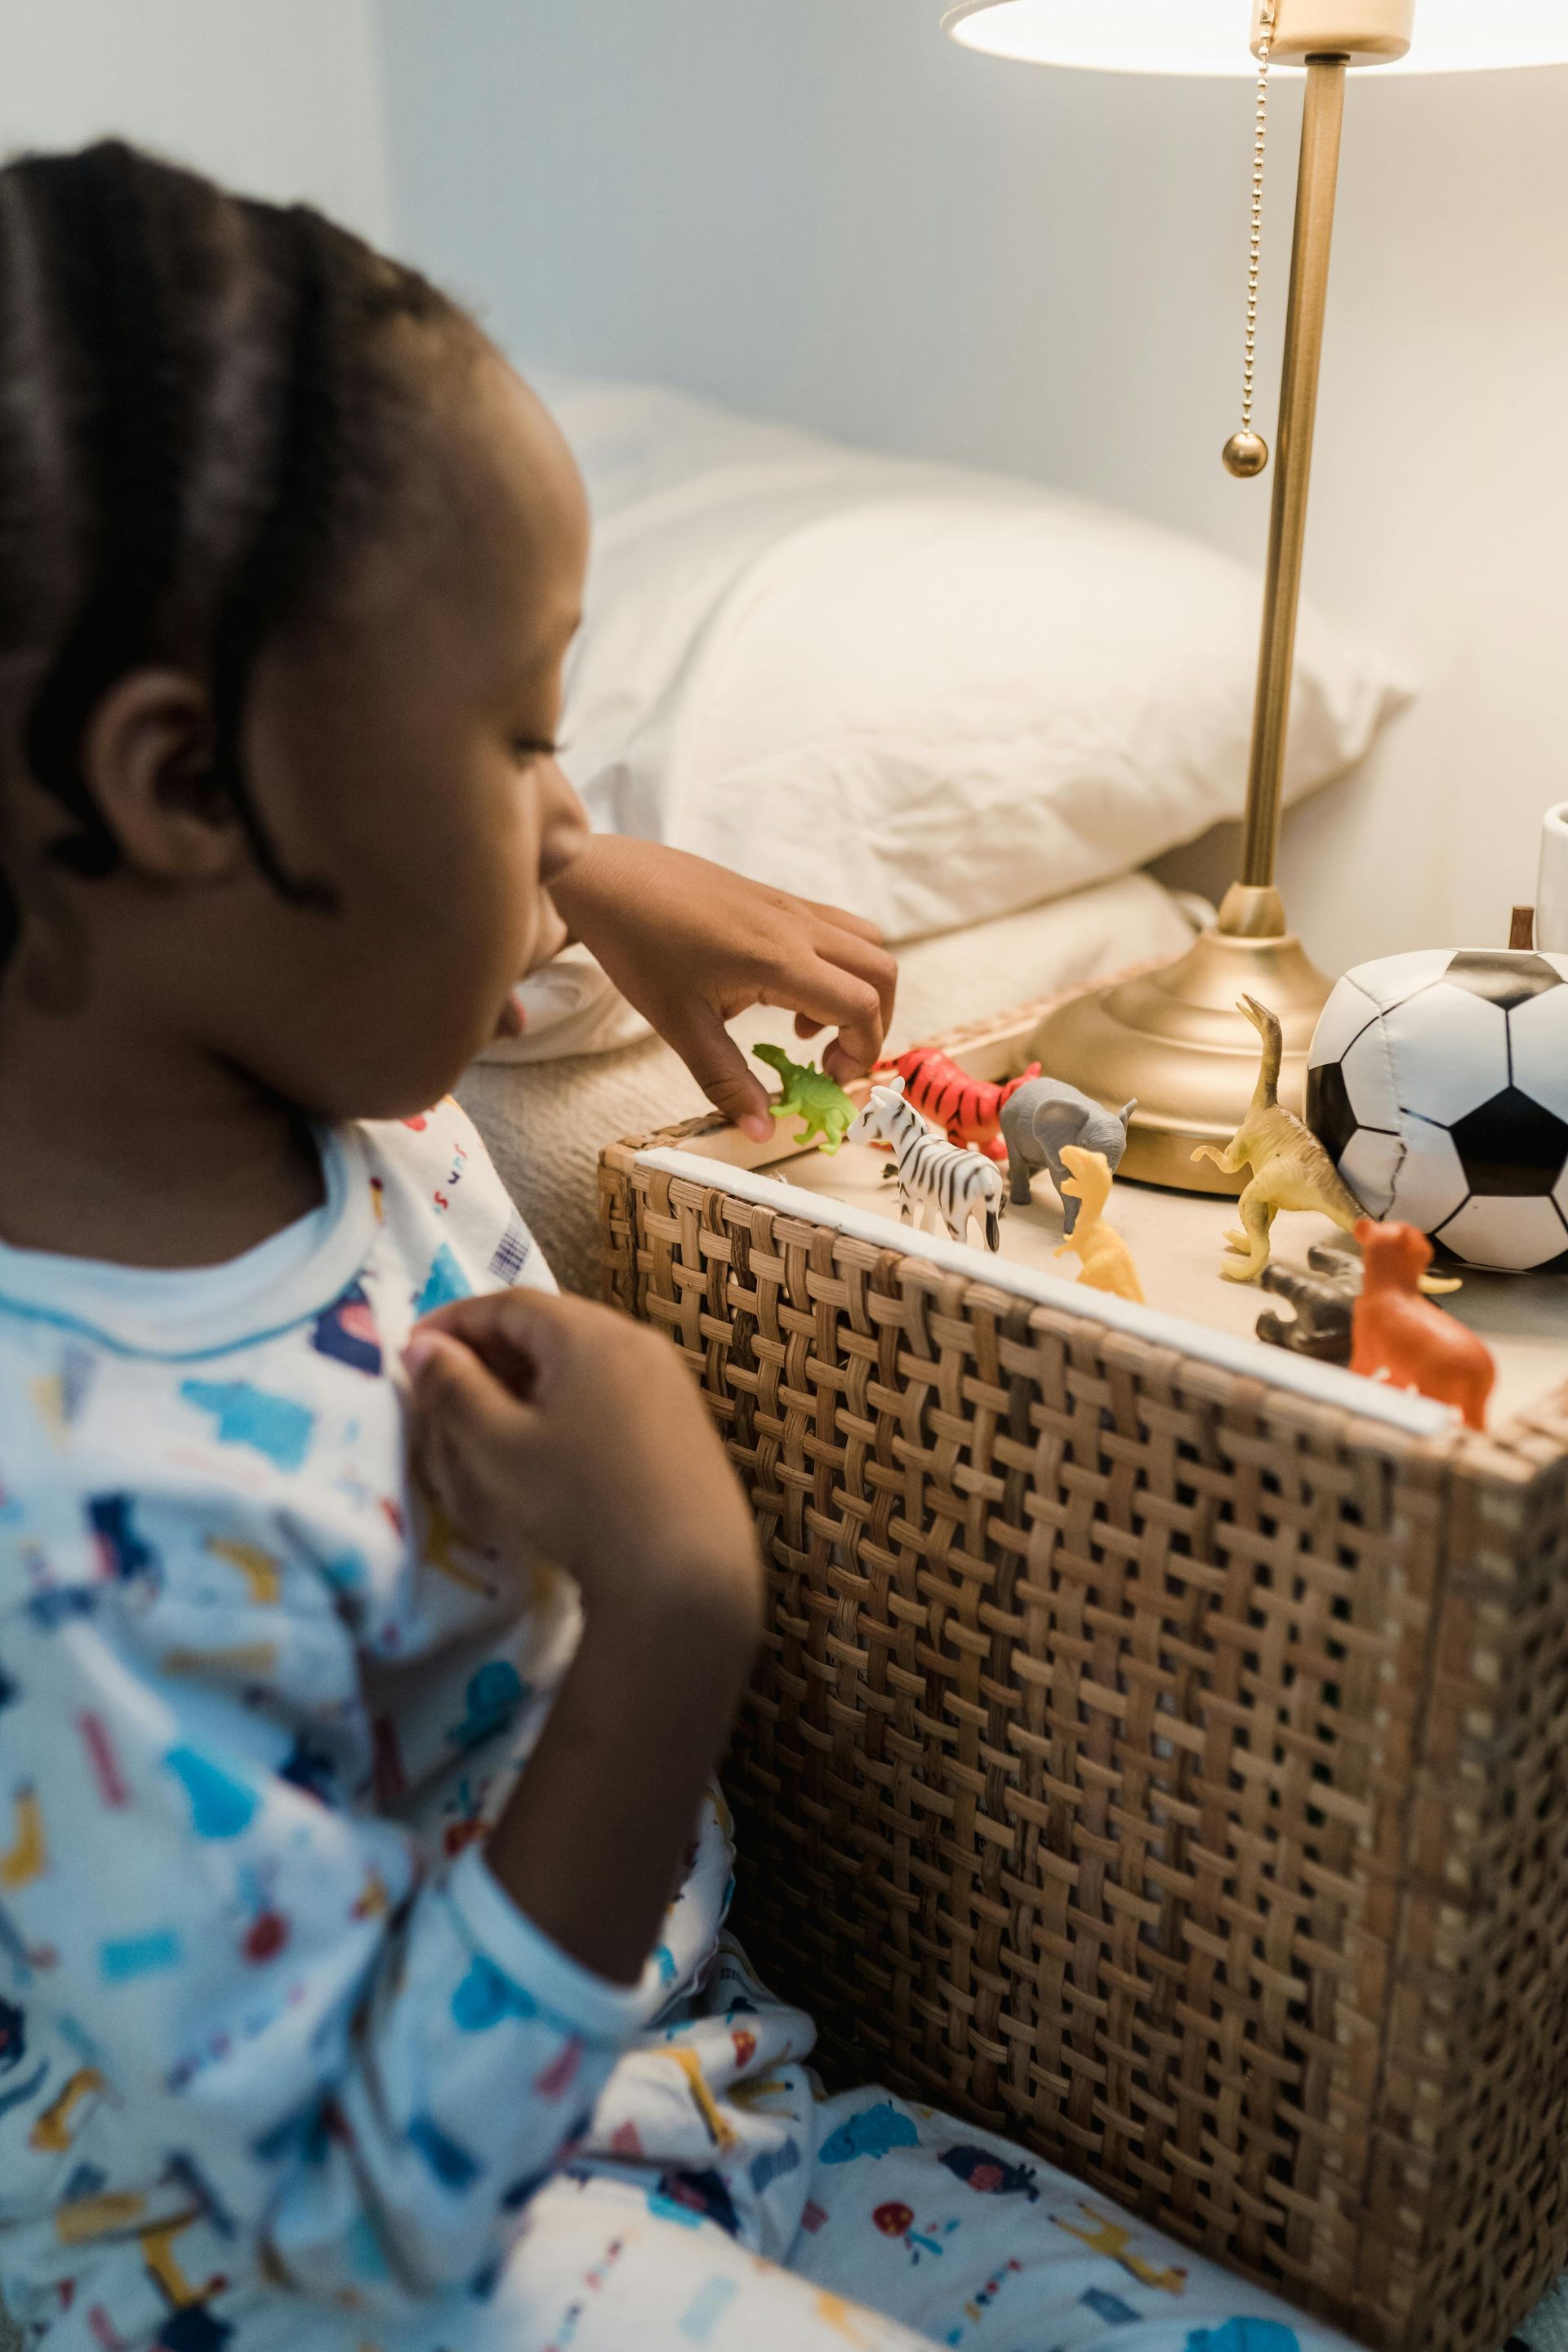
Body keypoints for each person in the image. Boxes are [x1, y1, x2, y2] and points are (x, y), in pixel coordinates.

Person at [0, 144, 1351, 2352]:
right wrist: (671, 1609)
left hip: (698, 2095)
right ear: (185, 796)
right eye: (525, 732)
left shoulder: (285, 1047)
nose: (570, 803)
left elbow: (410, 919)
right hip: (336, 2255)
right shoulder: (63, 1519)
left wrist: (593, 876)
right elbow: (355, 2212)